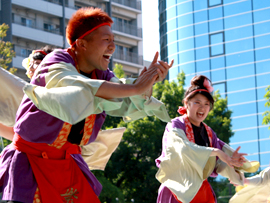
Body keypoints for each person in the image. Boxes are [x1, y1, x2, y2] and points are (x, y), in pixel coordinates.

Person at [0, 7, 173, 203]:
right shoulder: (56, 62)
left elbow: (122, 98)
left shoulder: (101, 74)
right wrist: (134, 89)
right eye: (106, 40)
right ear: (81, 43)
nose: (112, 47)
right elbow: (76, 89)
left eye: (113, 41)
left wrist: (145, 85)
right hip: (30, 165)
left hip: (68, 166)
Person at [155, 75, 259, 203]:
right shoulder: (175, 125)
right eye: (197, 102)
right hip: (177, 188)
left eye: (206, 104)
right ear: (186, 103)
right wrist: (216, 152)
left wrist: (232, 160)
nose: (202, 108)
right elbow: (183, 149)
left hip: (201, 191)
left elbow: (218, 162)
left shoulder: (209, 133)